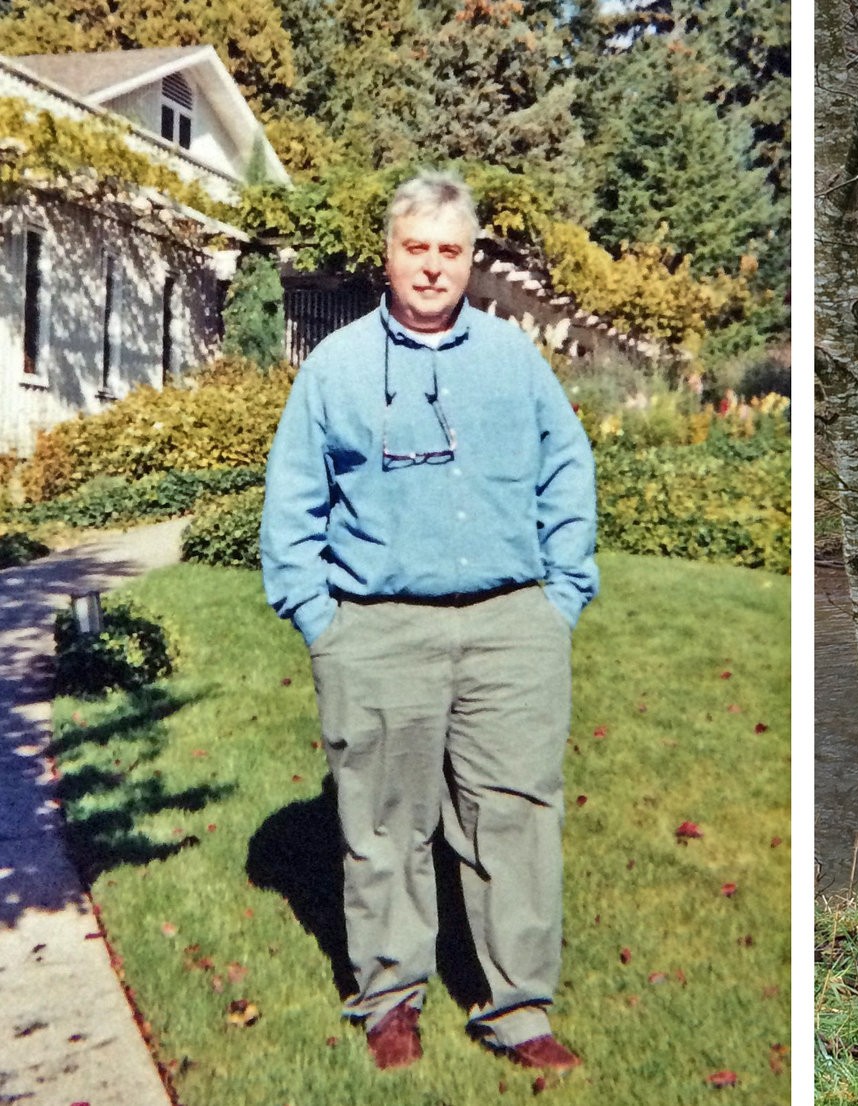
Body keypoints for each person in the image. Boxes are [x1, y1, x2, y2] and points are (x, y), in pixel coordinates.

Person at [260, 171, 597, 1074]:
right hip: (375, 629)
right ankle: (390, 997)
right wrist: (320, 621)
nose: (435, 268)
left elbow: (568, 470)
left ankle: (519, 1009)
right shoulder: (334, 367)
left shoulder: (514, 359)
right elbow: (291, 506)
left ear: (471, 259)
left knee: (516, 820)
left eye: (452, 251)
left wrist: (562, 596)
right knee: (383, 822)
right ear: (389, 254)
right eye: (419, 248)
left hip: (511, 627)